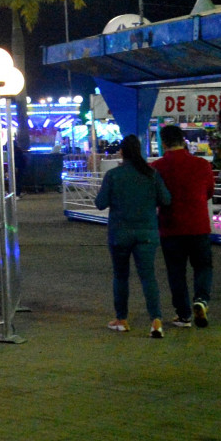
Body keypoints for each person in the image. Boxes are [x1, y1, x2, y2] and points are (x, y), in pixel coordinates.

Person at [93, 133, 172, 337]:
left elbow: (100, 203)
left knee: (121, 276)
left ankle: (121, 319)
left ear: (122, 152)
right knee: (148, 277)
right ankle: (156, 321)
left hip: (120, 233)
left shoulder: (114, 175)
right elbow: (166, 199)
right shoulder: (151, 174)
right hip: (147, 233)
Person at [153, 122, 216, 328]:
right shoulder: (202, 165)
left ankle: (183, 315)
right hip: (199, 226)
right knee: (203, 266)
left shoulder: (157, 168)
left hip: (171, 228)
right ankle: (201, 299)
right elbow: (209, 193)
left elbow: (155, 197)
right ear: (183, 141)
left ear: (163, 143)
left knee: (176, 272)